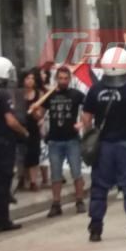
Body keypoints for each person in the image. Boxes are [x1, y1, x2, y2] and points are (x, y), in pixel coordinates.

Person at [83, 47, 126, 242]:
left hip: (103, 146)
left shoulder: (95, 89)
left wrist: (90, 137)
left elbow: (86, 118)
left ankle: (95, 228)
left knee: (99, 187)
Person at [0, 57, 29, 233]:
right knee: (3, 182)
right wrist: (23, 131)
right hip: (3, 143)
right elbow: (10, 120)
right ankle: (2, 220)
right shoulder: (2, 94)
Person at [34, 66, 86, 218]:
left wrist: (82, 123)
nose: (63, 81)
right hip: (54, 141)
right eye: (60, 78)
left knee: (76, 172)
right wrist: (35, 110)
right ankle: (56, 204)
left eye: (65, 78)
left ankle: (80, 201)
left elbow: (91, 108)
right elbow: (40, 115)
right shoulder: (49, 95)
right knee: (56, 175)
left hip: (72, 140)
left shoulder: (76, 94)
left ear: (70, 79)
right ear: (56, 79)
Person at [21, 68, 43, 191]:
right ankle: (23, 179)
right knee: (22, 154)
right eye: (27, 78)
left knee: (34, 154)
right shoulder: (19, 94)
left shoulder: (38, 94)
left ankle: (33, 181)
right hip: (21, 127)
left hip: (33, 128)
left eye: (32, 78)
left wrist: (35, 111)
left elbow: (39, 115)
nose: (30, 81)